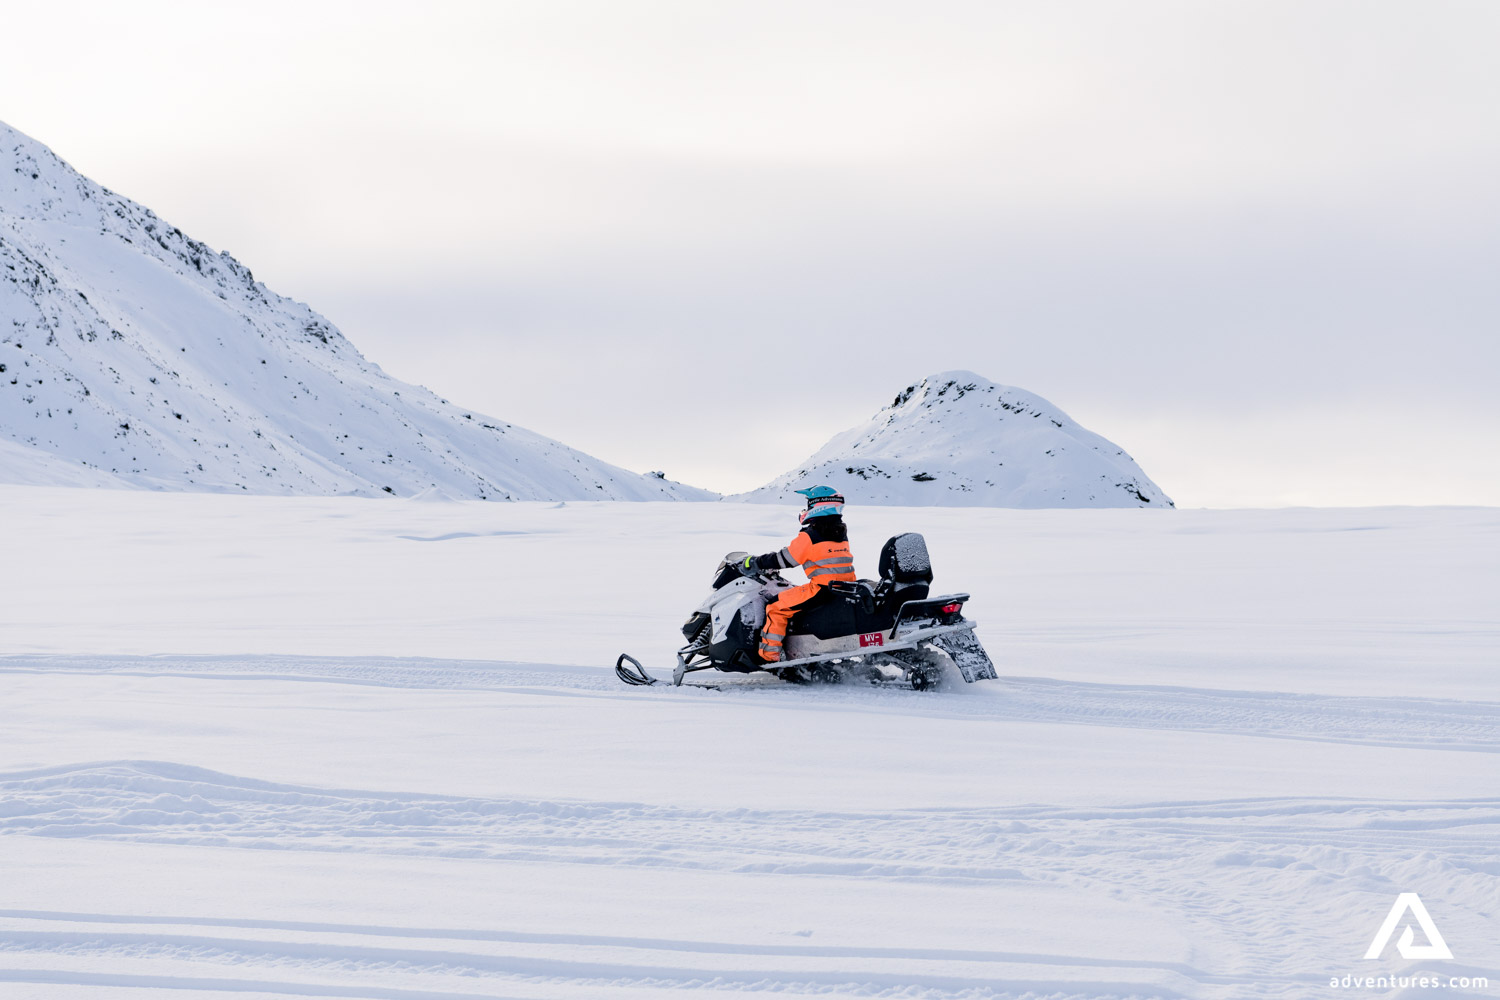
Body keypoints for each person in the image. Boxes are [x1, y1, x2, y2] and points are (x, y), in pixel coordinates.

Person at [737, 486, 857, 662]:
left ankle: (770, 656)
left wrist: (757, 562)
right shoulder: (839, 533)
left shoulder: (811, 535)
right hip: (844, 587)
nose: (806, 509)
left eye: (809, 504)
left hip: (822, 589)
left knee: (775, 607)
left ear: (818, 505)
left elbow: (786, 559)